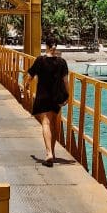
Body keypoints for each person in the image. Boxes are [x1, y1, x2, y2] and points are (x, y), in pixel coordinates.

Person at [24, 35, 69, 166]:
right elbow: (65, 81)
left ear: (46, 46)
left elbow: (30, 76)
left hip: (42, 96)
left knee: (45, 123)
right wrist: (67, 96)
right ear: (55, 47)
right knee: (53, 123)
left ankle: (48, 153)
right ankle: (52, 152)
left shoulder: (40, 60)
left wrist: (26, 85)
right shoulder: (62, 62)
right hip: (56, 97)